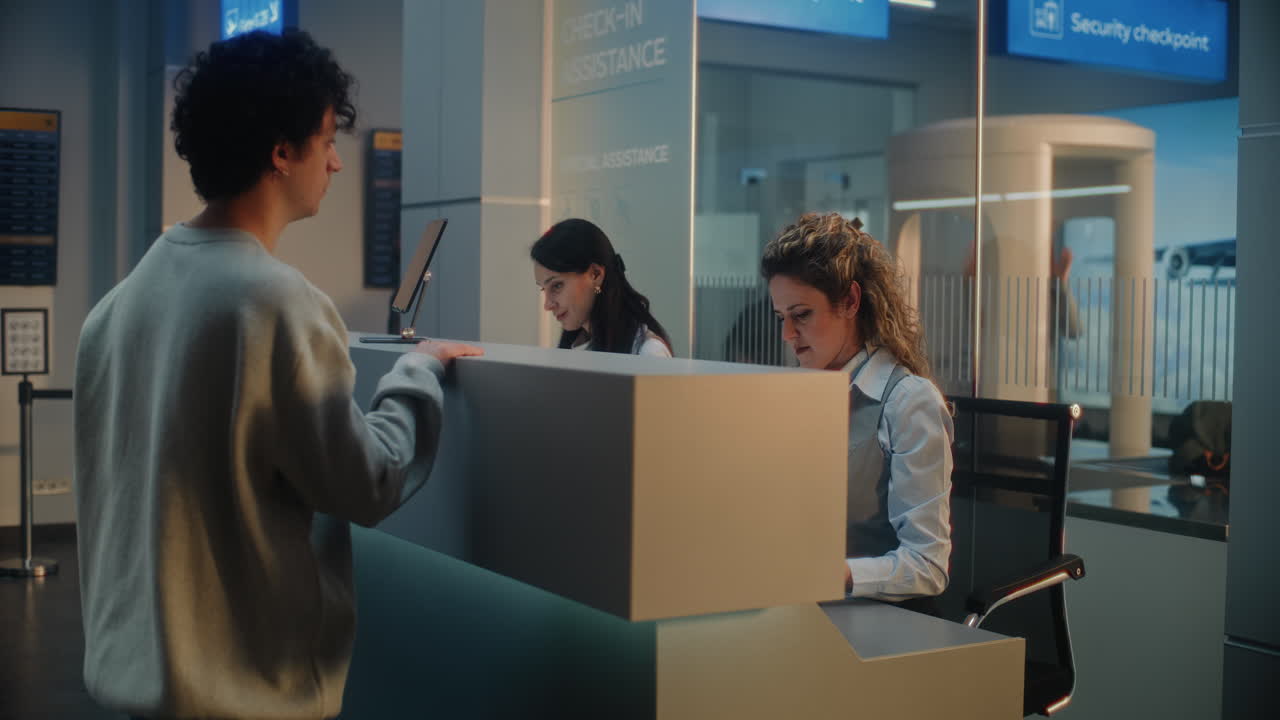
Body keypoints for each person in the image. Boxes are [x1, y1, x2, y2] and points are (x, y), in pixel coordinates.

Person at [73, 30, 482, 720]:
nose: (337, 162)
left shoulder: (114, 309)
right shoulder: (277, 302)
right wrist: (416, 372)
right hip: (244, 692)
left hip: (132, 685)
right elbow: (367, 481)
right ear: (281, 152)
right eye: (326, 141)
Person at [762, 212, 954, 612]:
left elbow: (928, 566)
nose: (787, 335)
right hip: (801, 608)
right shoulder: (798, 391)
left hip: (879, 619)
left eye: (801, 315)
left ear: (850, 301)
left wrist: (833, 573)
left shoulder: (909, 402)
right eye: (781, 318)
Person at [531, 218, 673, 357]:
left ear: (595, 274)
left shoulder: (648, 352)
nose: (547, 305)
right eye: (543, 289)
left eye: (557, 285)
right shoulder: (574, 348)